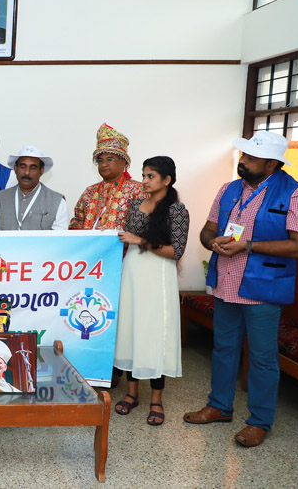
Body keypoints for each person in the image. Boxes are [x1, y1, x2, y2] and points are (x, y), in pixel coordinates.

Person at [184, 132, 298, 447]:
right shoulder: (229, 189)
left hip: (263, 289)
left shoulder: (294, 194)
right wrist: (214, 242)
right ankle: (219, 406)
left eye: (250, 157)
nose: (243, 161)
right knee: (223, 348)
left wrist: (246, 245)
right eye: (243, 155)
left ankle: (259, 422)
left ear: (272, 163)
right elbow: (208, 230)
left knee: (262, 357)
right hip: (226, 283)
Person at [113, 156, 189, 426]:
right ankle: (132, 393)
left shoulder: (177, 210)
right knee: (131, 328)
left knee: (155, 333)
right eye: (143, 175)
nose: (144, 181)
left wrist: (141, 241)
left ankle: (156, 399)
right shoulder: (136, 204)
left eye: (150, 176)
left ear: (167, 180)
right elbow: (127, 238)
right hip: (133, 272)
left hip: (158, 275)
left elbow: (175, 251)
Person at [70, 123, 147, 230]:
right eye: (100, 161)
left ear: (123, 162)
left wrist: (111, 233)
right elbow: (76, 224)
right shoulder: (89, 192)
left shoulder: (137, 190)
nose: (104, 164)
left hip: (121, 241)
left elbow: (142, 226)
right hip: (90, 241)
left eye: (110, 159)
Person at [0, 146, 69, 231]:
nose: (27, 172)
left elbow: (59, 237)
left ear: (41, 171)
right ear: (16, 169)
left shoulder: (57, 202)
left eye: (33, 167)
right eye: (22, 166)